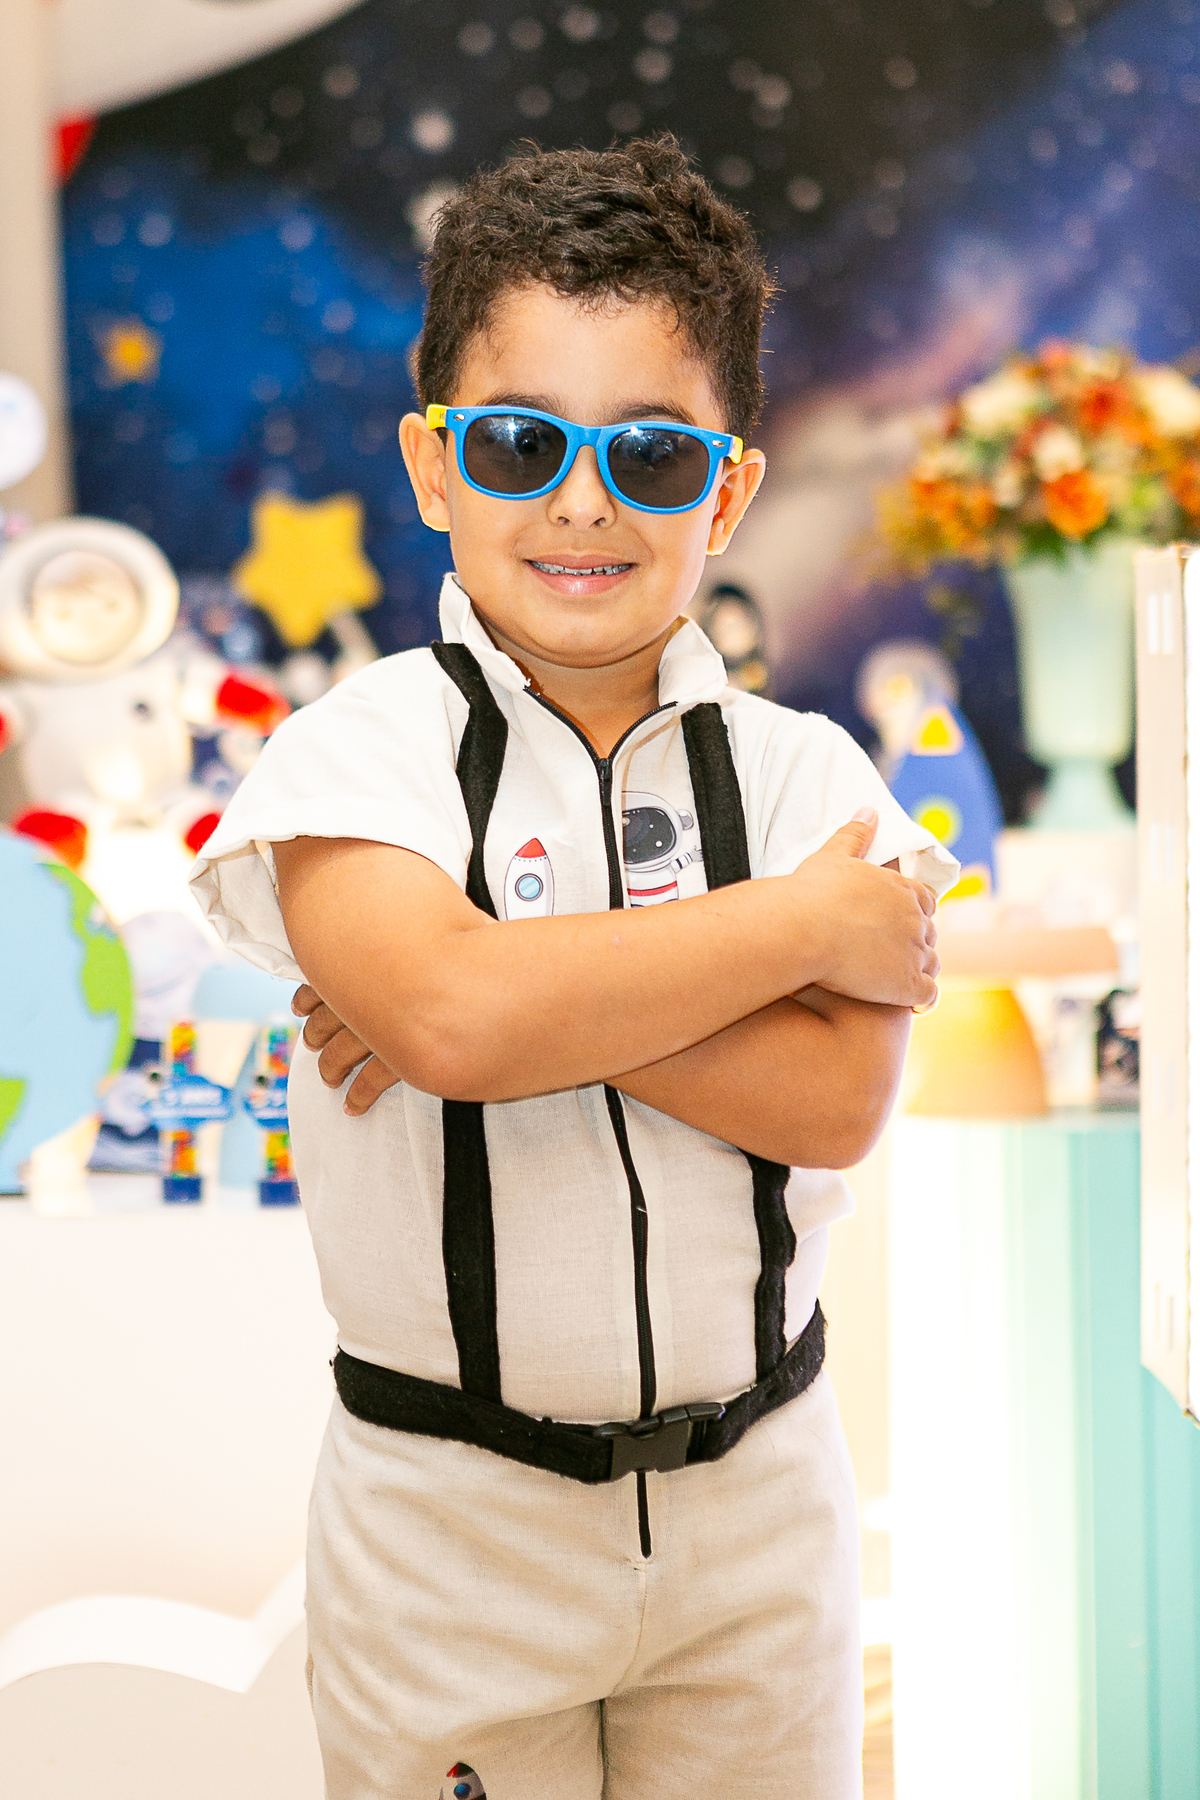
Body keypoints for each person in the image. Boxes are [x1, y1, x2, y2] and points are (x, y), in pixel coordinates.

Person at [191, 137, 956, 1800]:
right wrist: (788, 935)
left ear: (730, 492)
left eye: (654, 454)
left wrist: (502, 992)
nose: (584, 501)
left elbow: (833, 1101)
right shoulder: (356, 756)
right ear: (433, 464)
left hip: (762, 1520)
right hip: (447, 1530)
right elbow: (453, 1019)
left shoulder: (814, 777)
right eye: (523, 442)